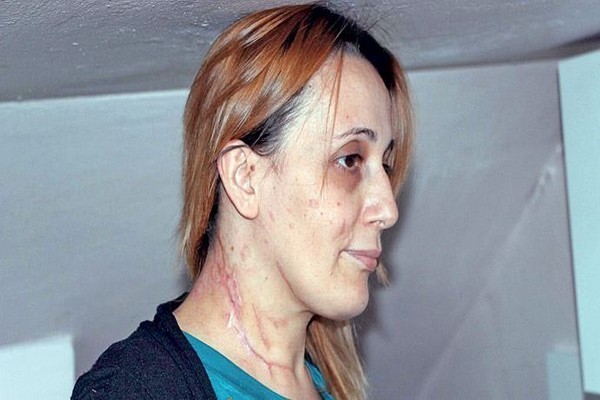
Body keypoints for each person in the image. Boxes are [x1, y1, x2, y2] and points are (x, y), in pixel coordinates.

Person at [72, 2, 412, 399]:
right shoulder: (136, 391)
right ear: (244, 177)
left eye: (385, 165)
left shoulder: (322, 382)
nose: (388, 209)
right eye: (349, 160)